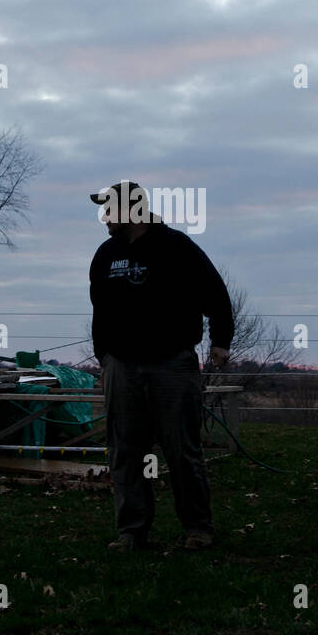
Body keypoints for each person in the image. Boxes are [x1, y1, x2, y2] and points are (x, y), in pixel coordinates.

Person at [88, 180, 234, 552]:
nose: (104, 217)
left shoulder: (176, 247)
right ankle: (132, 532)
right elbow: (100, 312)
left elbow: (215, 294)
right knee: (125, 451)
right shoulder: (105, 256)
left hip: (172, 364)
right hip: (122, 366)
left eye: (109, 209)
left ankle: (197, 528)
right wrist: (104, 358)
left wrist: (220, 342)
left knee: (181, 449)